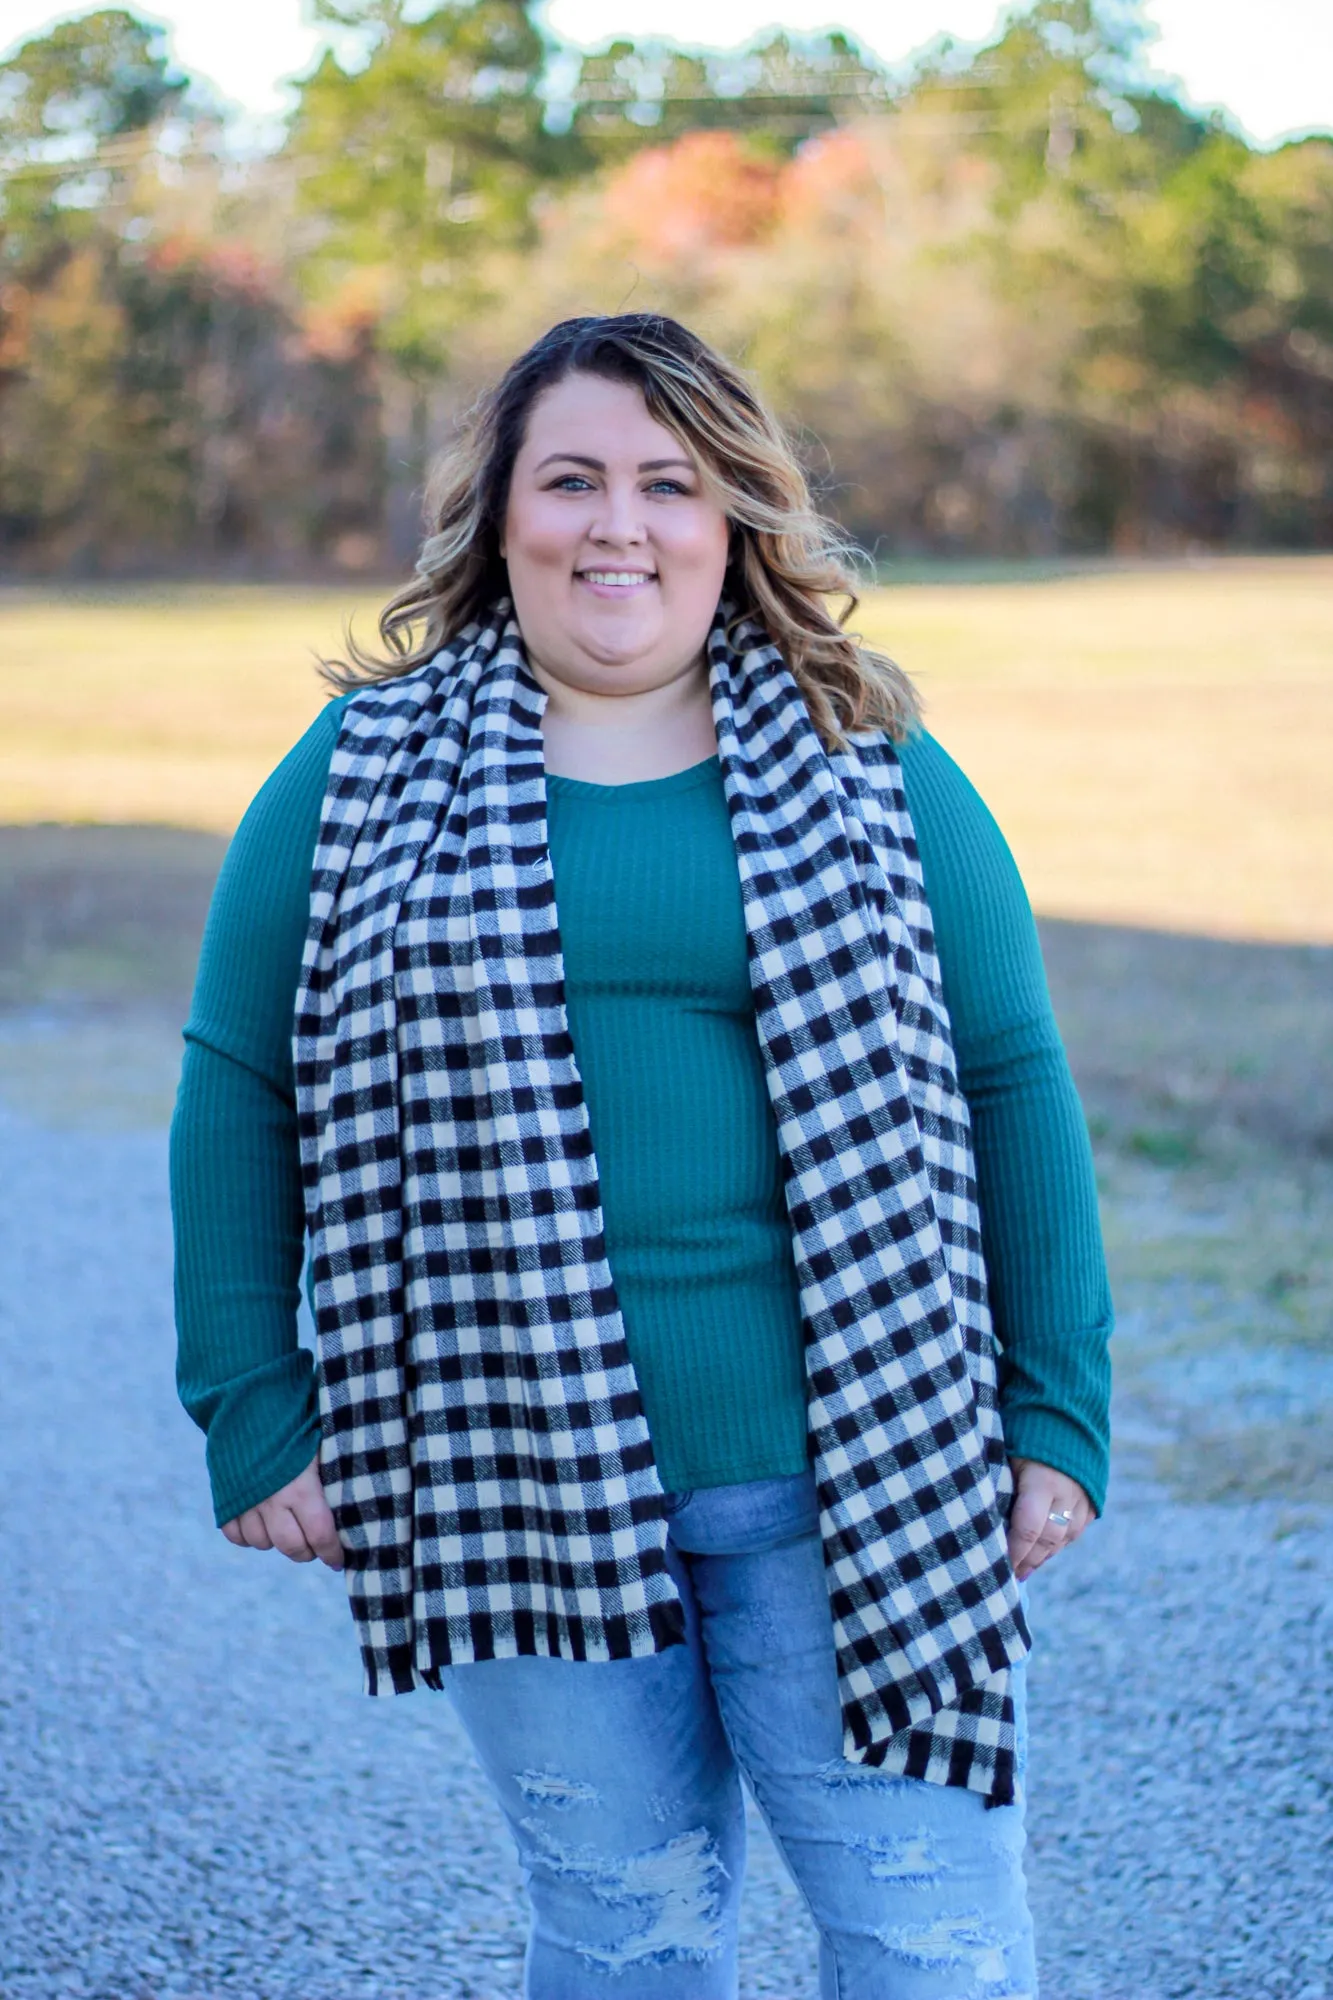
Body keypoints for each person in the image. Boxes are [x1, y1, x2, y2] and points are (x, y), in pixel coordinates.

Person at [172, 312, 1112, 2000]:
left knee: (932, 1946)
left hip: (858, 1473)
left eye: (670, 482)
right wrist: (252, 1399)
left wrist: (1057, 1406)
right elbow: (240, 1080)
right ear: (502, 515)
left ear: (734, 517)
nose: (622, 523)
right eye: (576, 478)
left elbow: (1012, 1075)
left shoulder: (870, 758)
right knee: (625, 1946)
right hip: (504, 1469)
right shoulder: (361, 773)